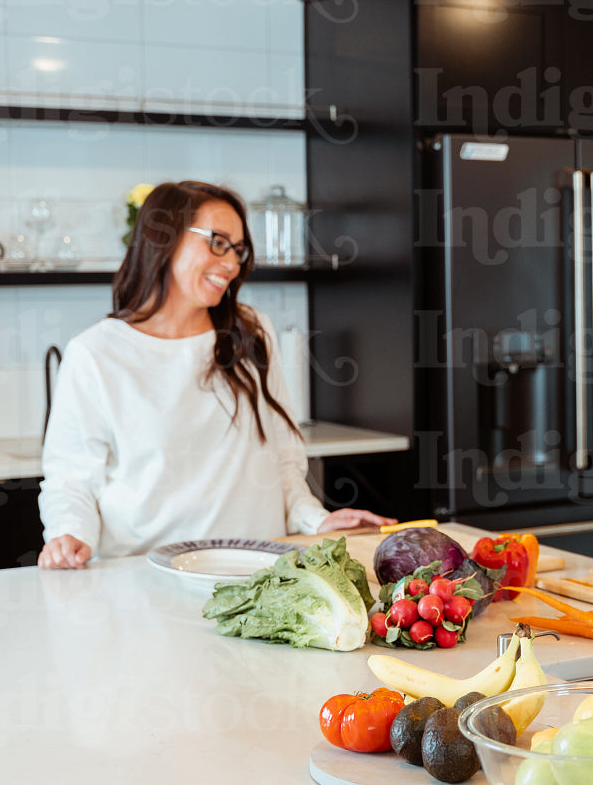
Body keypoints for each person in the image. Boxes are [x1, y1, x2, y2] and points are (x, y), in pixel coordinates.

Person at [38, 181, 392, 569]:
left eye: (238, 250)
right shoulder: (96, 353)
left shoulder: (251, 333)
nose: (231, 263)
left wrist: (317, 519)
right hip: (141, 576)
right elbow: (71, 479)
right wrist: (68, 534)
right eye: (217, 242)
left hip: (257, 571)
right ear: (163, 239)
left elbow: (283, 457)